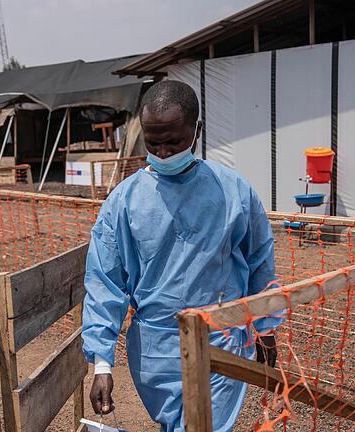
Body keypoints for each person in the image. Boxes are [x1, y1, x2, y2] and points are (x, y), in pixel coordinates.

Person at [81, 80, 284, 431]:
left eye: (172, 141)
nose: (161, 152)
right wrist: (102, 363)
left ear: (197, 131)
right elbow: (105, 283)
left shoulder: (233, 192)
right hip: (155, 355)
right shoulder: (124, 202)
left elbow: (259, 264)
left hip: (220, 345)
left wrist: (266, 330)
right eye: (152, 142)